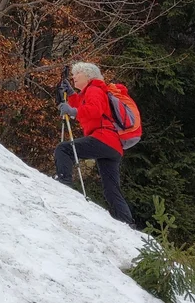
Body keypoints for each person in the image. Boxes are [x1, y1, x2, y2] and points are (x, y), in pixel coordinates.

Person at [54, 62, 137, 227]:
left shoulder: (94, 89)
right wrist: (71, 94)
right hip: (113, 146)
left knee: (64, 149)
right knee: (111, 188)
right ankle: (127, 222)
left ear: (88, 75)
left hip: (103, 137)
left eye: (77, 74)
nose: (74, 77)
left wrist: (72, 111)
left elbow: (94, 110)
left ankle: (64, 183)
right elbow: (84, 105)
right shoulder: (95, 91)